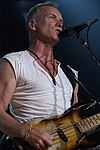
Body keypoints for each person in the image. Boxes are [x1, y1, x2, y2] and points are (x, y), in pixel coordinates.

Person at [0, 1, 79, 150]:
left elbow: (75, 121)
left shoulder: (71, 74)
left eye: (61, 21)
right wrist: (27, 132)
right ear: (33, 24)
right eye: (52, 18)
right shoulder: (14, 62)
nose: (60, 24)